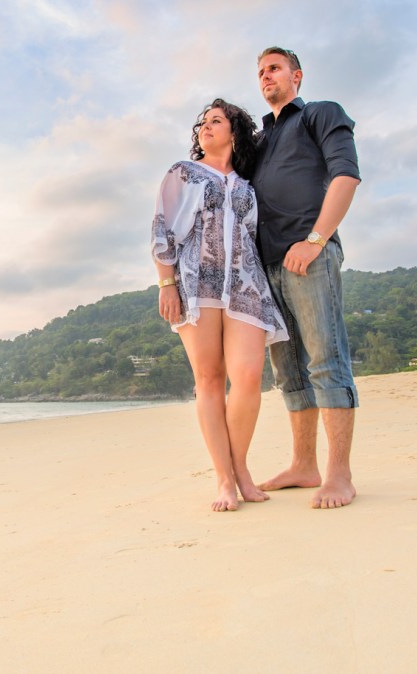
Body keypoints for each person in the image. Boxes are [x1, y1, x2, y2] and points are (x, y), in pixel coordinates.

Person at [152, 98, 288, 512]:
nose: (205, 128)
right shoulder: (183, 173)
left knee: (248, 377)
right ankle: (225, 478)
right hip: (196, 283)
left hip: (246, 285)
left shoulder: (247, 183)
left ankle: (241, 467)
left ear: (235, 132)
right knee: (209, 379)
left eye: (216, 121)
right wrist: (166, 283)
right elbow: (163, 229)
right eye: (203, 124)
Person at [252, 47, 361, 509]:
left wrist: (316, 240)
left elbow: (346, 176)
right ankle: (303, 464)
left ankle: (339, 475)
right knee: (288, 370)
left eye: (274, 68)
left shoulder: (320, 114)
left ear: (296, 75)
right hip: (266, 266)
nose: (266, 76)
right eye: (260, 72)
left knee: (325, 360)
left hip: (308, 255)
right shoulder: (256, 141)